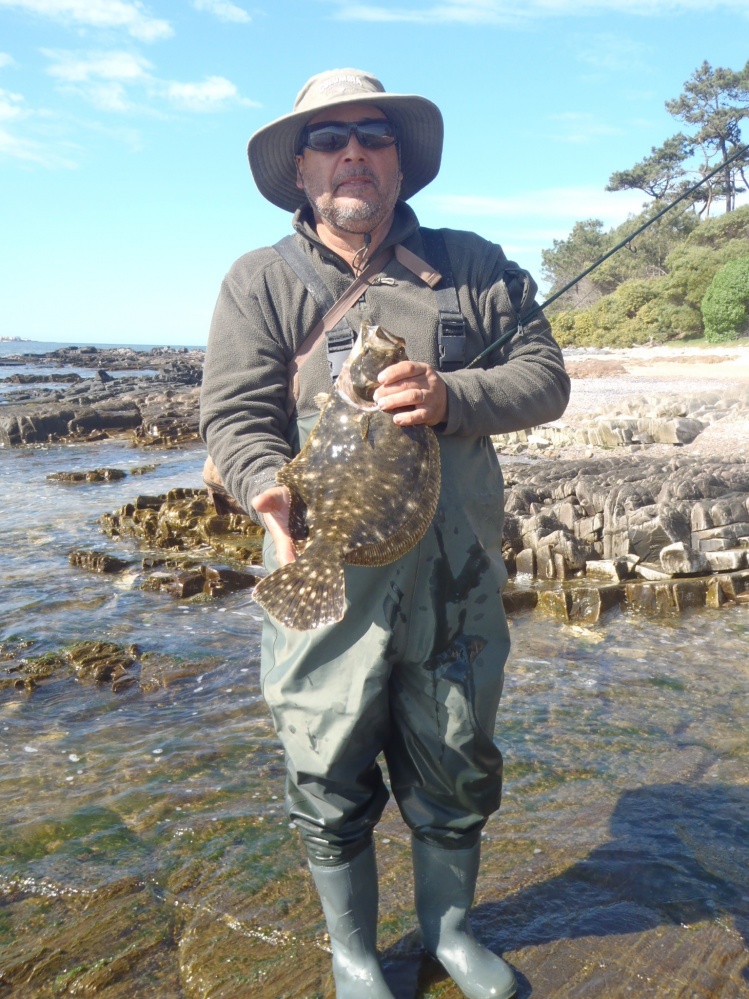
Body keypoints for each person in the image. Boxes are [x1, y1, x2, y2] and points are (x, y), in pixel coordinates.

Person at [200, 68, 570, 999]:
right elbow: (236, 418)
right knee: (323, 762)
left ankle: (447, 933)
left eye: (372, 134)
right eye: (328, 140)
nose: (352, 152)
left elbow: (544, 377)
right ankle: (354, 953)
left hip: (456, 570)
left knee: (455, 751)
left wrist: (455, 396)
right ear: (299, 171)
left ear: (402, 162)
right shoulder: (260, 283)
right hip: (317, 566)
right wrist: (261, 492)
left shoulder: (475, 265)